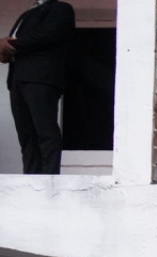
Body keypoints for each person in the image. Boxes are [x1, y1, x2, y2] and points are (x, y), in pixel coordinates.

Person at [2, 0, 74, 175]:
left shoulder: (60, 8)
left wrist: (10, 45)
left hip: (41, 77)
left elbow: (49, 34)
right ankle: (31, 177)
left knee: (45, 129)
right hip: (18, 80)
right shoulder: (29, 12)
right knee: (26, 135)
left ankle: (50, 176)